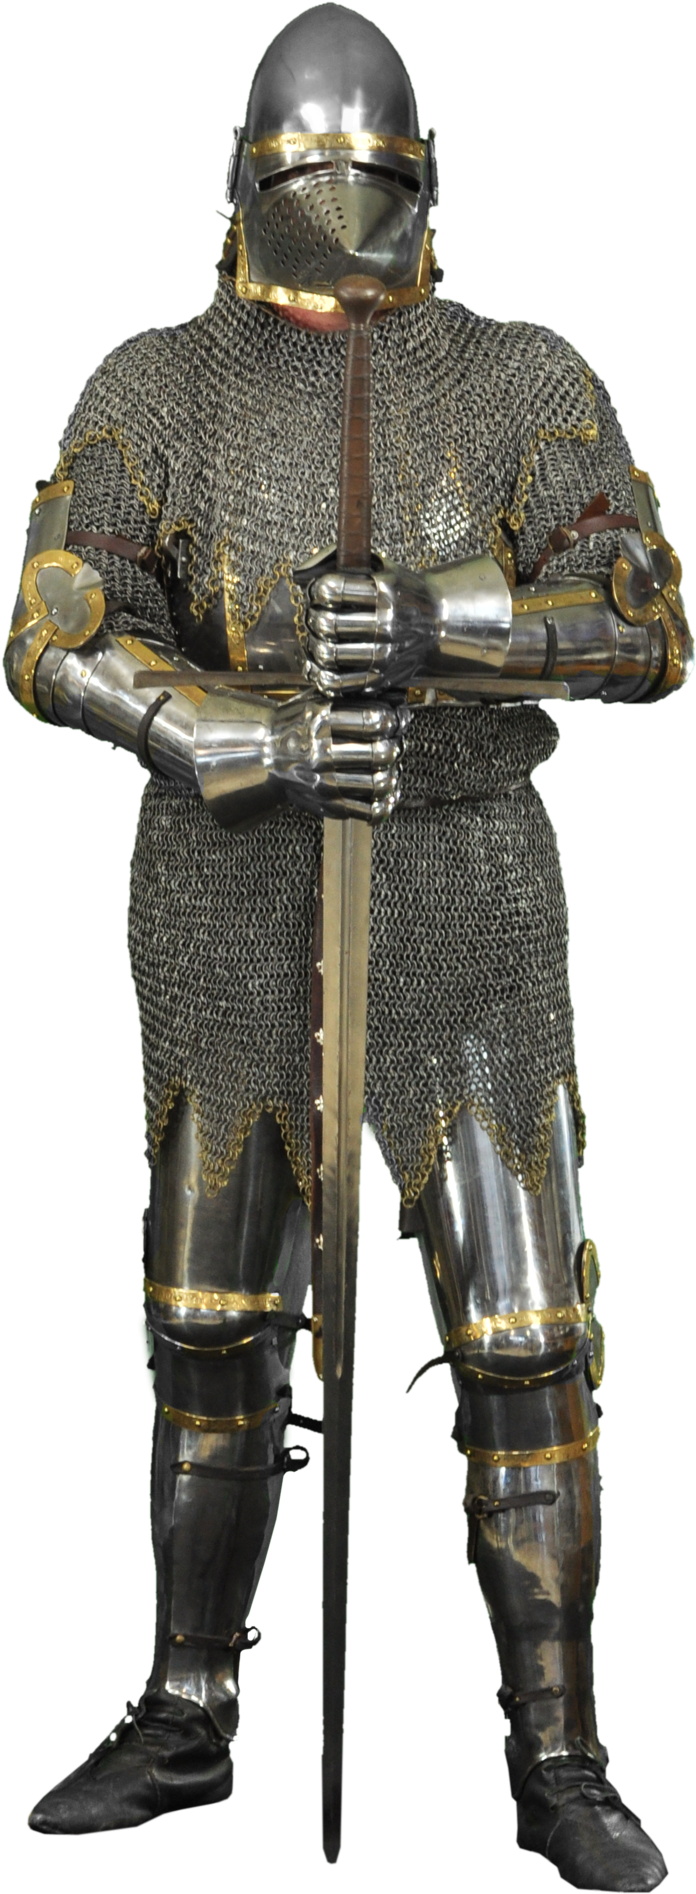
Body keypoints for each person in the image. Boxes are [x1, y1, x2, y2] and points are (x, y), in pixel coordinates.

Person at [7, 5, 689, 1879]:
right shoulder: (159, 383)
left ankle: (560, 1755)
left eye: (364, 188)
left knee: (527, 1342)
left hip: (469, 896)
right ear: (238, 183)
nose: (335, 228)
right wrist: (240, 734)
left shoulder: (521, 376)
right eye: (304, 188)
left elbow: (646, 617)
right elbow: (56, 621)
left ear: (429, 183)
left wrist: (455, 629)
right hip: (227, 893)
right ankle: (186, 1711)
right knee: (212, 1332)